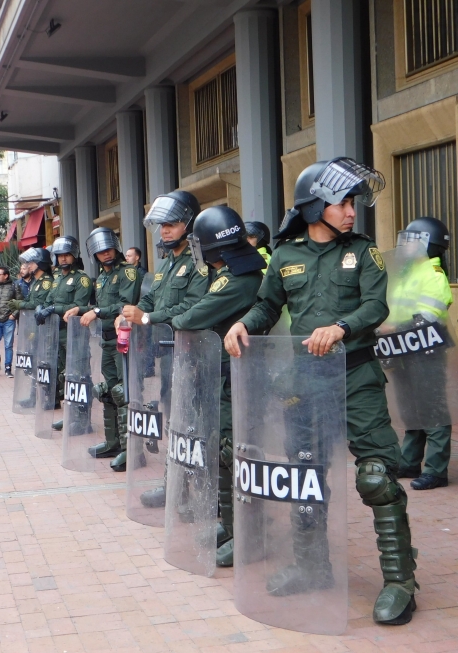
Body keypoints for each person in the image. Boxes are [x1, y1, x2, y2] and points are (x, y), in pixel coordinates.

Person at [224, 157, 418, 626]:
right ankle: (312, 567)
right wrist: (241, 325)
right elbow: (267, 306)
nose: (352, 211)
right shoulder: (286, 256)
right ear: (315, 207)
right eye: (343, 202)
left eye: (353, 202)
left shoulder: (364, 252)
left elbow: (376, 304)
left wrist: (342, 326)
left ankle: (400, 582)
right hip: (304, 381)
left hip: (356, 374)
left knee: (377, 476)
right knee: (304, 475)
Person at [171, 206, 266, 566]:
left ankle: (250, 536)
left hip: (241, 378)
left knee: (238, 454)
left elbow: (193, 316)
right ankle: (230, 525)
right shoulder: (232, 272)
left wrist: (176, 319)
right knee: (225, 452)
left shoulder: (239, 279)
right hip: (227, 375)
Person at [118, 190, 210, 507]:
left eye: (171, 225)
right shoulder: (168, 261)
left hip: (193, 354)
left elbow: (192, 306)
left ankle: (204, 493)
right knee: (173, 419)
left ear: (189, 223)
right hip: (168, 353)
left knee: (194, 423)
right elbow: (151, 297)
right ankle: (176, 488)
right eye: (162, 226)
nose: (165, 231)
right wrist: (130, 312)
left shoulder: (199, 261)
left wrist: (147, 317)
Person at [64, 228, 141, 471]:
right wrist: (81, 308)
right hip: (106, 339)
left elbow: (125, 304)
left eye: (108, 249)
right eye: (100, 252)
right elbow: (98, 304)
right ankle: (113, 442)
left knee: (124, 391)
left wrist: (97, 312)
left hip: (124, 337)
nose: (105, 254)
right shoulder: (102, 277)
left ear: (116, 248)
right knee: (108, 390)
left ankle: (133, 451)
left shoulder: (127, 272)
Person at [390, 218, 453, 491]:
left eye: (411, 240)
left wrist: (392, 327)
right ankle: (409, 461)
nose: (405, 245)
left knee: (432, 410)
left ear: (427, 244)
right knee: (410, 410)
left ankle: (436, 470)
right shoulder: (408, 273)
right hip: (404, 350)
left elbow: (427, 317)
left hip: (426, 352)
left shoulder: (434, 276)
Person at [35, 236, 93, 416]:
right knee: (62, 373)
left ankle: (82, 417)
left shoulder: (81, 279)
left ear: (74, 255)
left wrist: (54, 309)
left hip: (74, 333)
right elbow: (49, 298)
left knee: (78, 373)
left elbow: (78, 306)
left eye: (66, 255)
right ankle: (70, 414)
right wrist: (41, 306)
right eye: (60, 256)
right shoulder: (58, 277)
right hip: (55, 332)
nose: (63, 259)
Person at [8, 248, 54, 313]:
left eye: (31, 263)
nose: (28, 266)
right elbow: (28, 300)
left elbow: (38, 304)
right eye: (28, 263)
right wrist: (17, 302)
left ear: (40, 264)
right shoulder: (36, 281)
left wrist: (19, 304)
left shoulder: (47, 282)